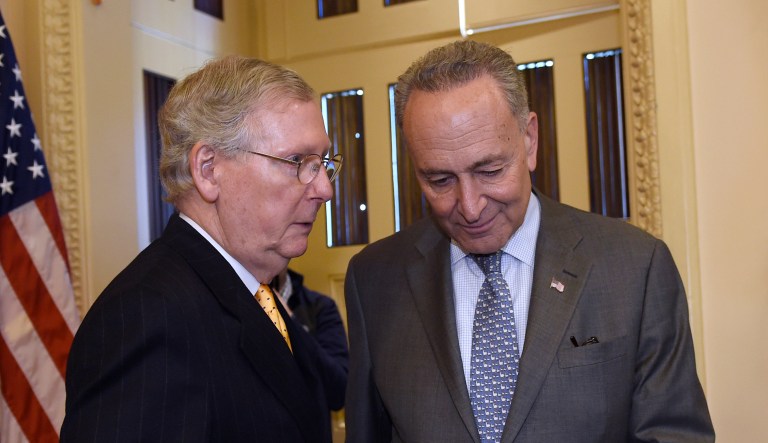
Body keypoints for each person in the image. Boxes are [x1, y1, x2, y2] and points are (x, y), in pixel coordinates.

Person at [344, 40, 714, 442]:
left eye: (489, 170)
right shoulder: (375, 280)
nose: (469, 206)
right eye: (439, 180)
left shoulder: (634, 267)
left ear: (530, 139)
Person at [61, 55, 343, 442]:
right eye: (297, 161)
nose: (324, 189)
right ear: (208, 170)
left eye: (322, 162)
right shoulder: (149, 315)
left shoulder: (256, 293)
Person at [271, 266, 348, 411]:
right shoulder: (231, 302)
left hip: (307, 428)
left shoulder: (320, 307)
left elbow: (339, 392)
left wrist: (292, 324)